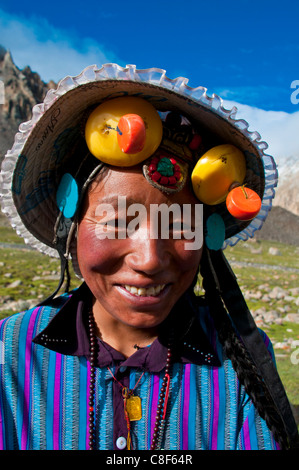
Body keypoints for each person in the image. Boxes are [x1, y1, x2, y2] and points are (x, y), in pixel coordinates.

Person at [0, 63, 298, 451]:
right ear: (71, 225)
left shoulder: (242, 361)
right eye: (120, 222)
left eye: (178, 227)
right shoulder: (9, 354)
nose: (150, 258)